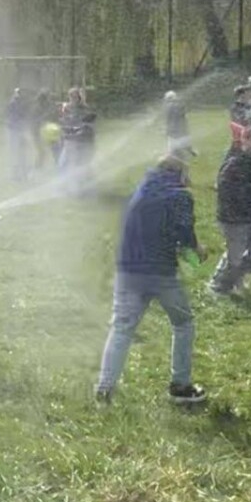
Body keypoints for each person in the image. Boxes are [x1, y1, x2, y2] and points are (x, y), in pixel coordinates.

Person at [95, 155, 207, 405]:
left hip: (127, 271)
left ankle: (104, 388)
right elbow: (185, 231)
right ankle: (180, 386)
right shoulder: (179, 195)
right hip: (160, 273)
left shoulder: (141, 191)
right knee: (183, 323)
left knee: (121, 328)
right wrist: (197, 249)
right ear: (179, 174)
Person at [210, 125, 251, 296]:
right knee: (234, 257)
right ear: (244, 140)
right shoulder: (235, 162)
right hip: (233, 217)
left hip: (250, 214)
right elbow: (223, 188)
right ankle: (218, 286)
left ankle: (237, 276)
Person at [58, 88, 97, 195]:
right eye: (71, 96)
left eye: (74, 96)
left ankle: (77, 190)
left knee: (78, 165)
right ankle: (70, 188)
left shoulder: (85, 110)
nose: (72, 99)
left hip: (80, 142)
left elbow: (87, 125)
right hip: (71, 141)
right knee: (65, 164)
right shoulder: (68, 108)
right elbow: (64, 123)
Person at [4, 88, 31, 181]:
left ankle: (21, 174)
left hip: (19, 131)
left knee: (21, 153)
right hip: (14, 131)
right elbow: (13, 117)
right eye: (17, 94)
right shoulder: (13, 103)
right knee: (16, 153)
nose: (19, 96)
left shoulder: (21, 103)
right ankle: (16, 175)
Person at [164, 91, 193, 159]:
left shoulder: (168, 106)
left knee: (172, 145)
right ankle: (189, 151)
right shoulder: (178, 105)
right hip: (181, 127)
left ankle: (172, 155)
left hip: (173, 129)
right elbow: (183, 114)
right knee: (185, 140)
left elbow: (168, 119)